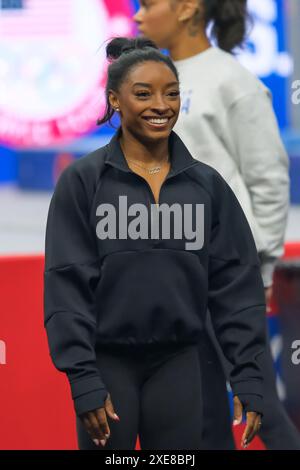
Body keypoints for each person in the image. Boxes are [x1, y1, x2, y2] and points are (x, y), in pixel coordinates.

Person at [43, 36, 267, 451]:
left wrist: (249, 375)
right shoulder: (83, 182)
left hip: (180, 362)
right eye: (142, 94)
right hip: (107, 363)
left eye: (172, 93)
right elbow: (66, 285)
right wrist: (83, 378)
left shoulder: (207, 186)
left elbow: (237, 287)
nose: (161, 105)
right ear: (114, 99)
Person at [133, 0, 300, 450]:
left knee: (260, 407)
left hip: (224, 275)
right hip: (167, 277)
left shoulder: (232, 82)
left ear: (188, 9)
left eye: (148, 5)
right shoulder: (147, 81)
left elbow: (267, 180)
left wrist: (259, 269)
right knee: (201, 418)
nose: (138, 16)